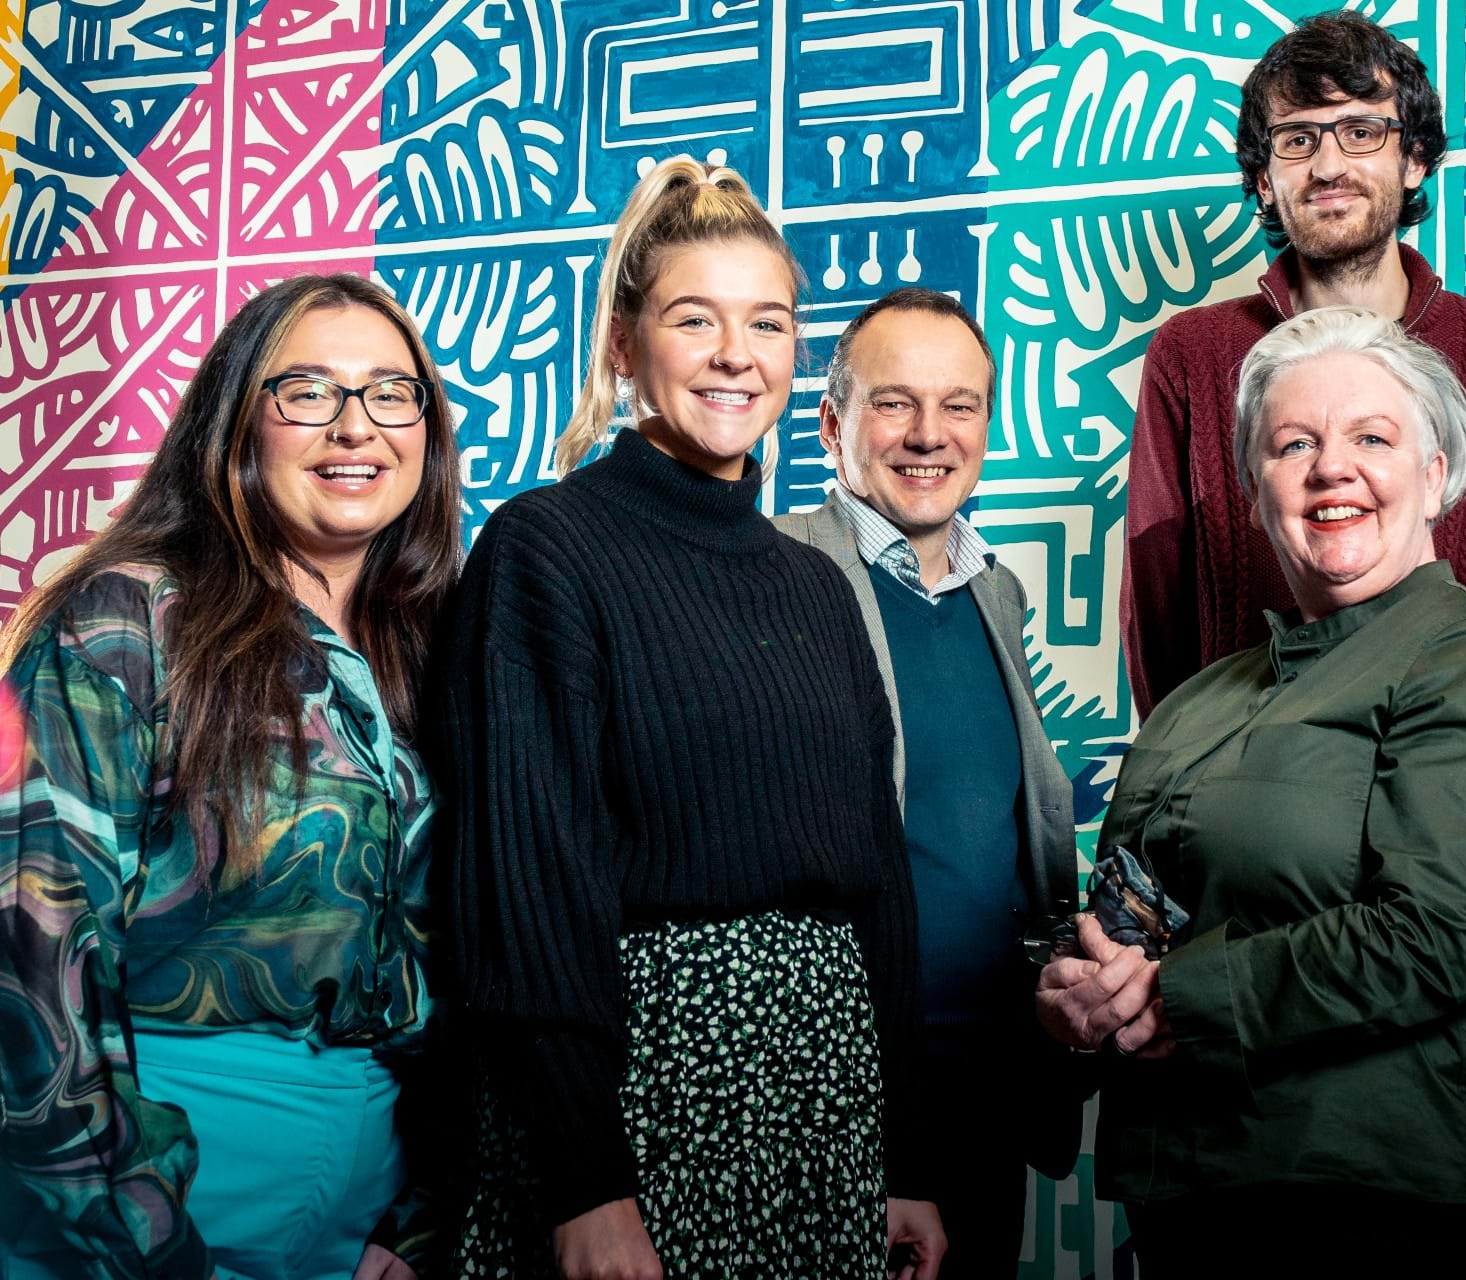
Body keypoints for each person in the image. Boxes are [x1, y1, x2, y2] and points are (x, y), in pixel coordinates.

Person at [437, 158, 945, 1280]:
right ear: (624, 345)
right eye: (694, 318)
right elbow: (526, 888)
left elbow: (881, 887)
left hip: (828, 1102)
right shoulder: (545, 549)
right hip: (645, 1102)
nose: (736, 355)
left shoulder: (815, 581)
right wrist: (586, 1183)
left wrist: (905, 1155)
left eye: (768, 322)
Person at [1038, 305, 1466, 1274]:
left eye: (1372, 436)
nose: (1332, 467)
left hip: (1383, 1209)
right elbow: (1130, 918)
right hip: (1185, 1202)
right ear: (1253, 494)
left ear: (1436, 475)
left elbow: (1437, 934)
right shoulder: (1194, 701)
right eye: (1294, 444)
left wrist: (1176, 998)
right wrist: (1076, 998)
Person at [0, 273, 462, 1280]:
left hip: (366, 1228)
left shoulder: (442, 653)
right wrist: (145, 1244)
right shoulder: (126, 621)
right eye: (308, 391)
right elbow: (32, 960)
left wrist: (419, 1225)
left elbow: (476, 969)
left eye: (393, 392)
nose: (356, 426)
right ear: (236, 421)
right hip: (150, 1220)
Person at [1121, 9, 1466, 718]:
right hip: (1250, 785)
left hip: (1464, 773)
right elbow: (1158, 606)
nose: (1329, 165)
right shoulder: (1190, 356)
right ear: (1263, 179)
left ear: (1415, 159)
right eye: (1297, 139)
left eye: (1361, 132)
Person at [774, 288, 1081, 1278]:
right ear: (831, 422)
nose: (928, 435)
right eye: (894, 402)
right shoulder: (775, 571)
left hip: (989, 1083)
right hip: (835, 1092)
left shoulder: (998, 589)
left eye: (960, 405)